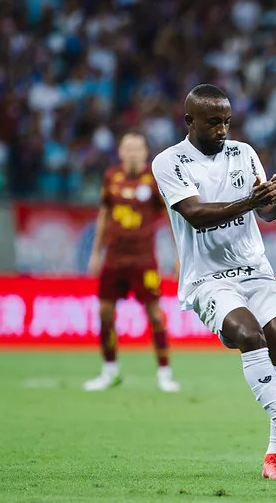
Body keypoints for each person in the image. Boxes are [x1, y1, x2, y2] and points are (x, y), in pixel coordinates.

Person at [151, 84, 276, 480]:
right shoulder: (169, 162)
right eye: (213, 122)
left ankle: (275, 455)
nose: (222, 129)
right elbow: (196, 214)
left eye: (226, 121)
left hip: (255, 269)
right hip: (206, 277)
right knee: (248, 334)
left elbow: (268, 214)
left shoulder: (244, 153)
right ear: (189, 121)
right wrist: (252, 202)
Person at [84, 133, 181, 393]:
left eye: (138, 148)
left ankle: (165, 372)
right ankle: (110, 370)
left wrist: (179, 254)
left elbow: (171, 217)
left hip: (143, 259)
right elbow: (104, 214)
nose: (133, 153)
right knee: (104, 313)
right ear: (120, 152)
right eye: (128, 148)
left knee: (155, 316)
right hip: (113, 259)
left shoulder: (153, 181)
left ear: (146, 152)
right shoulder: (111, 178)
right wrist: (96, 253)